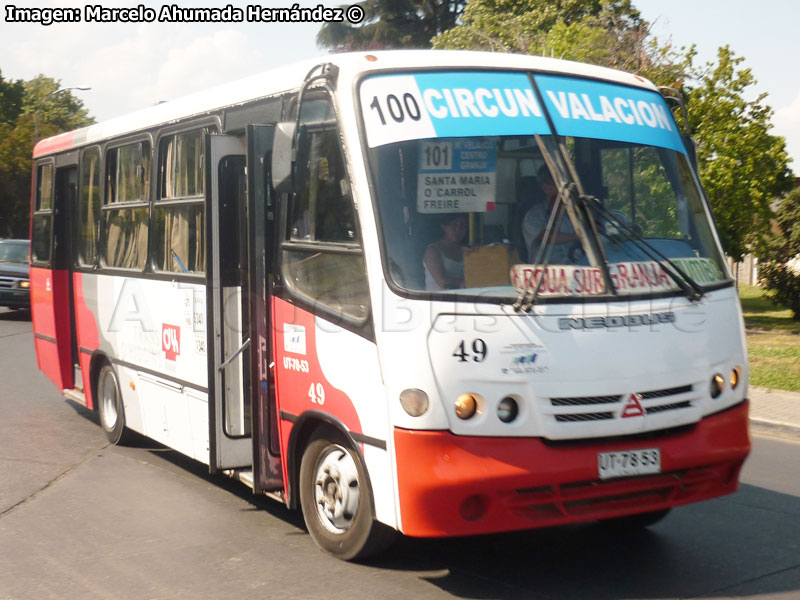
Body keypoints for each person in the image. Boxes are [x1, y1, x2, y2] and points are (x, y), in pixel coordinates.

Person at [522, 165, 579, 264]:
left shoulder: (573, 214)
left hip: (578, 270)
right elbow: (547, 236)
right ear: (546, 187)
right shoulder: (533, 215)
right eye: (562, 186)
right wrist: (577, 237)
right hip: (545, 273)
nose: (568, 191)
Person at [424, 213, 467, 290]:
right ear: (444, 227)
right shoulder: (432, 251)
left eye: (462, 226)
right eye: (454, 225)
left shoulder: (467, 251)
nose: (458, 229)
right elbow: (442, 282)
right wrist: (467, 282)